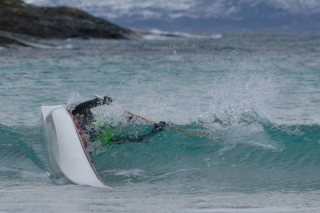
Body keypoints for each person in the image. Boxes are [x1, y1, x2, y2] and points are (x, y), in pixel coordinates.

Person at [72, 96, 167, 145]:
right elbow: (79, 109)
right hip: (85, 129)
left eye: (129, 119)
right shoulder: (97, 119)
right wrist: (99, 102)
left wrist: (155, 131)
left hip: (91, 140)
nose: (126, 118)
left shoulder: (113, 138)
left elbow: (140, 139)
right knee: (81, 113)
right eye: (127, 116)